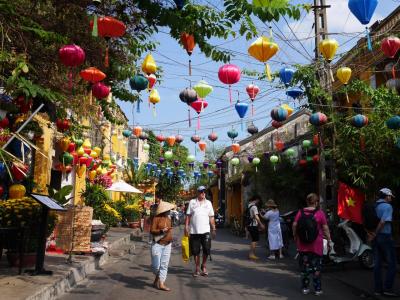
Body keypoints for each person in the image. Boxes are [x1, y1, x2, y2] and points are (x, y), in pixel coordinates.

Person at [292, 193, 331, 296]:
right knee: (316, 268)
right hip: (316, 246)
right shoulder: (320, 213)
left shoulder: (300, 212)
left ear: (307, 201)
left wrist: (295, 236)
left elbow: (295, 225)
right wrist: (329, 239)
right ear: (316, 202)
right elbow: (325, 228)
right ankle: (317, 289)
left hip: (303, 246)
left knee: (304, 268)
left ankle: (305, 288)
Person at [367, 188, 397, 297]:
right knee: (392, 263)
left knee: (377, 264)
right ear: (386, 196)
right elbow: (383, 221)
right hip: (384, 236)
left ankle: (377, 289)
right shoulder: (388, 207)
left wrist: (372, 234)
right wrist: (375, 233)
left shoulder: (374, 206)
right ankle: (388, 288)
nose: (391, 198)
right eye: (390, 196)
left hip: (375, 238)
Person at [185, 186, 216, 277]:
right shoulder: (192, 202)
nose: (203, 193)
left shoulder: (209, 203)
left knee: (207, 249)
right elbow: (188, 215)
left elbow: (211, 217)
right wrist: (186, 226)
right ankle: (197, 268)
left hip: (206, 231)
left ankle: (204, 265)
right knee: (196, 251)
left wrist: (213, 228)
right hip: (194, 231)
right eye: (201, 191)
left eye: (204, 192)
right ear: (197, 192)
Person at [150, 200, 175, 291]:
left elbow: (169, 230)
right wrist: (161, 231)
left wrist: (169, 233)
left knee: (164, 265)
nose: (170, 211)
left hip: (167, 244)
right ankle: (157, 280)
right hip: (157, 244)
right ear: (164, 210)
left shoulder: (169, 219)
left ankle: (161, 283)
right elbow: (152, 230)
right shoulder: (156, 218)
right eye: (168, 209)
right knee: (155, 266)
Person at [246, 195, 265, 260]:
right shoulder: (254, 207)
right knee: (255, 240)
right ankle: (251, 254)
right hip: (253, 225)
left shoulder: (249, 205)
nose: (258, 202)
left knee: (253, 240)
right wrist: (261, 224)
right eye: (258, 201)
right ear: (256, 199)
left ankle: (251, 254)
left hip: (249, 225)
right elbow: (256, 217)